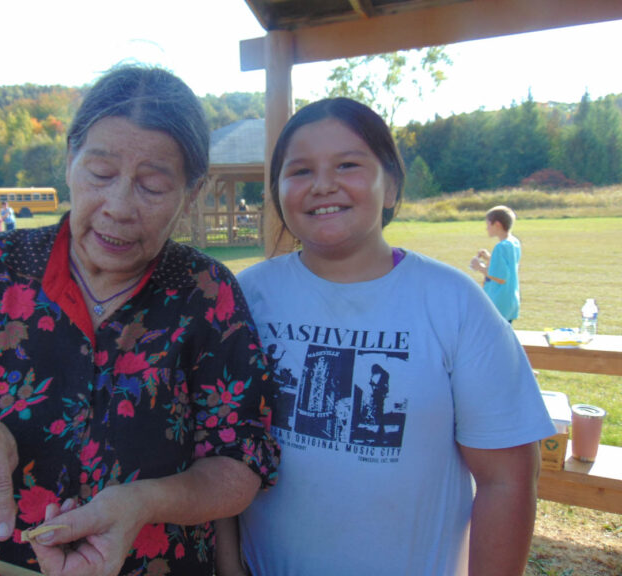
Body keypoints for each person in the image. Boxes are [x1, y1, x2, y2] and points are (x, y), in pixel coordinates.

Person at [0, 65, 279, 576]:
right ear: (69, 161)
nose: (119, 206)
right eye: (100, 174)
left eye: (152, 186)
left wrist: (144, 502)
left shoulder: (206, 293)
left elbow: (239, 464)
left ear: (192, 193)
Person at [220, 98, 554, 576]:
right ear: (277, 191)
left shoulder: (454, 304)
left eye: (348, 164)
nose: (323, 185)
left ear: (392, 185)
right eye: (299, 171)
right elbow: (222, 448)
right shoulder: (248, 296)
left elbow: (508, 480)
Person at [470, 205, 521, 323]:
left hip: (498, 301)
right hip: (510, 299)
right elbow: (508, 264)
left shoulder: (500, 247)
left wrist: (479, 267)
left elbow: (500, 277)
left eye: (488, 224)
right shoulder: (513, 242)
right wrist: (489, 258)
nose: (486, 228)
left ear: (497, 224)